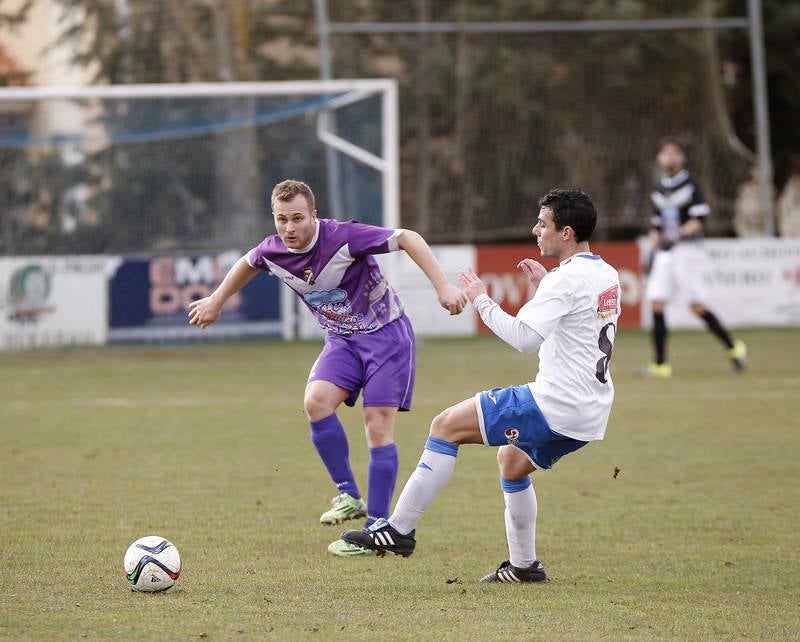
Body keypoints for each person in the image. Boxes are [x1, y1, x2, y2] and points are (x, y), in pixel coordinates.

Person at [341, 189, 621, 583]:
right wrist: (547, 286)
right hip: (589, 412)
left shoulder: (567, 280)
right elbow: (578, 322)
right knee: (512, 461)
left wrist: (481, 300)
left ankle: (398, 530)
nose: (535, 229)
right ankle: (525, 567)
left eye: (543, 223)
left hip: (554, 404)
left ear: (567, 232)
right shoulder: (604, 274)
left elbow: (524, 339)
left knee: (444, 426)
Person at [188, 179, 467, 556]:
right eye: (281, 219)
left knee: (378, 426)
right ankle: (349, 495)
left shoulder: (343, 237)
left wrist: (442, 287)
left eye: (297, 218)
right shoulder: (274, 251)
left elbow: (408, 237)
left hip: (386, 338)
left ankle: (378, 529)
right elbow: (248, 262)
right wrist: (217, 300)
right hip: (342, 340)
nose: (289, 228)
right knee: (316, 402)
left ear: (314, 216)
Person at [642, 137, 746, 379]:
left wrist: (676, 235)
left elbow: (698, 221)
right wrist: (653, 245)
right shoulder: (658, 188)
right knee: (656, 302)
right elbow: (656, 224)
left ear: (682, 158)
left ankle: (734, 346)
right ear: (659, 158)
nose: (670, 157)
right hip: (667, 252)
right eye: (665, 153)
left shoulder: (690, 185)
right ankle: (660, 365)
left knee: (695, 305)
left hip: (688, 251)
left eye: (675, 153)